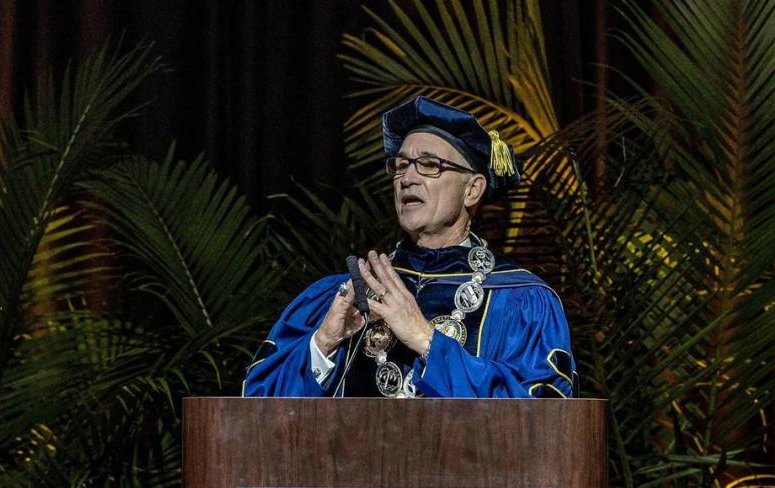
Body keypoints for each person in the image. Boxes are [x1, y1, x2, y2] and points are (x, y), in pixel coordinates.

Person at [242, 96, 577, 398]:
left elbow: (541, 420)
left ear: (473, 190)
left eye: (430, 165)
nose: (407, 178)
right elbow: (255, 408)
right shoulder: (341, 296)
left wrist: (427, 342)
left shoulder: (520, 300)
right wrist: (324, 344)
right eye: (401, 166)